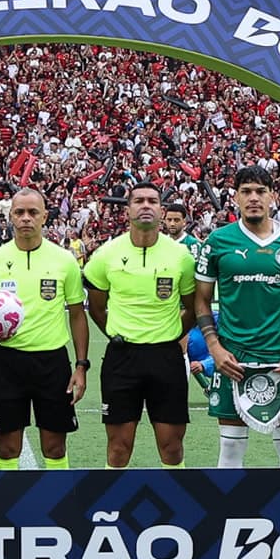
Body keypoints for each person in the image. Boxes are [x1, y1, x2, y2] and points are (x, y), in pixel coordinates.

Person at [194, 166, 280, 468]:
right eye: (246, 191)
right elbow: (200, 300)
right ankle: (225, 513)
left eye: (260, 191)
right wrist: (215, 348)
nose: (253, 198)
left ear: (272, 196)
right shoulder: (217, 242)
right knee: (230, 451)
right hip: (233, 359)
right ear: (235, 197)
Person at [0, 188, 89, 470]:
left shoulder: (64, 261)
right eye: (19, 212)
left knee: (54, 445)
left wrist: (81, 365)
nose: (26, 218)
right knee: (8, 447)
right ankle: (8, 508)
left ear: (44, 217)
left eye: (33, 212)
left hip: (52, 362)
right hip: (7, 362)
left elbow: (77, 314)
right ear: (10, 216)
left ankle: (58, 506)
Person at [83, 181, 196, 469]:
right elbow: (96, 306)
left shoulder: (181, 257)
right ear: (128, 210)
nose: (146, 205)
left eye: (152, 201)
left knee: (172, 446)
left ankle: (176, 507)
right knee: (119, 447)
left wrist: (172, 333)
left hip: (166, 356)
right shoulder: (106, 255)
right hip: (123, 358)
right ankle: (114, 507)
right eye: (139, 201)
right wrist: (116, 332)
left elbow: (194, 306)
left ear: (161, 211)